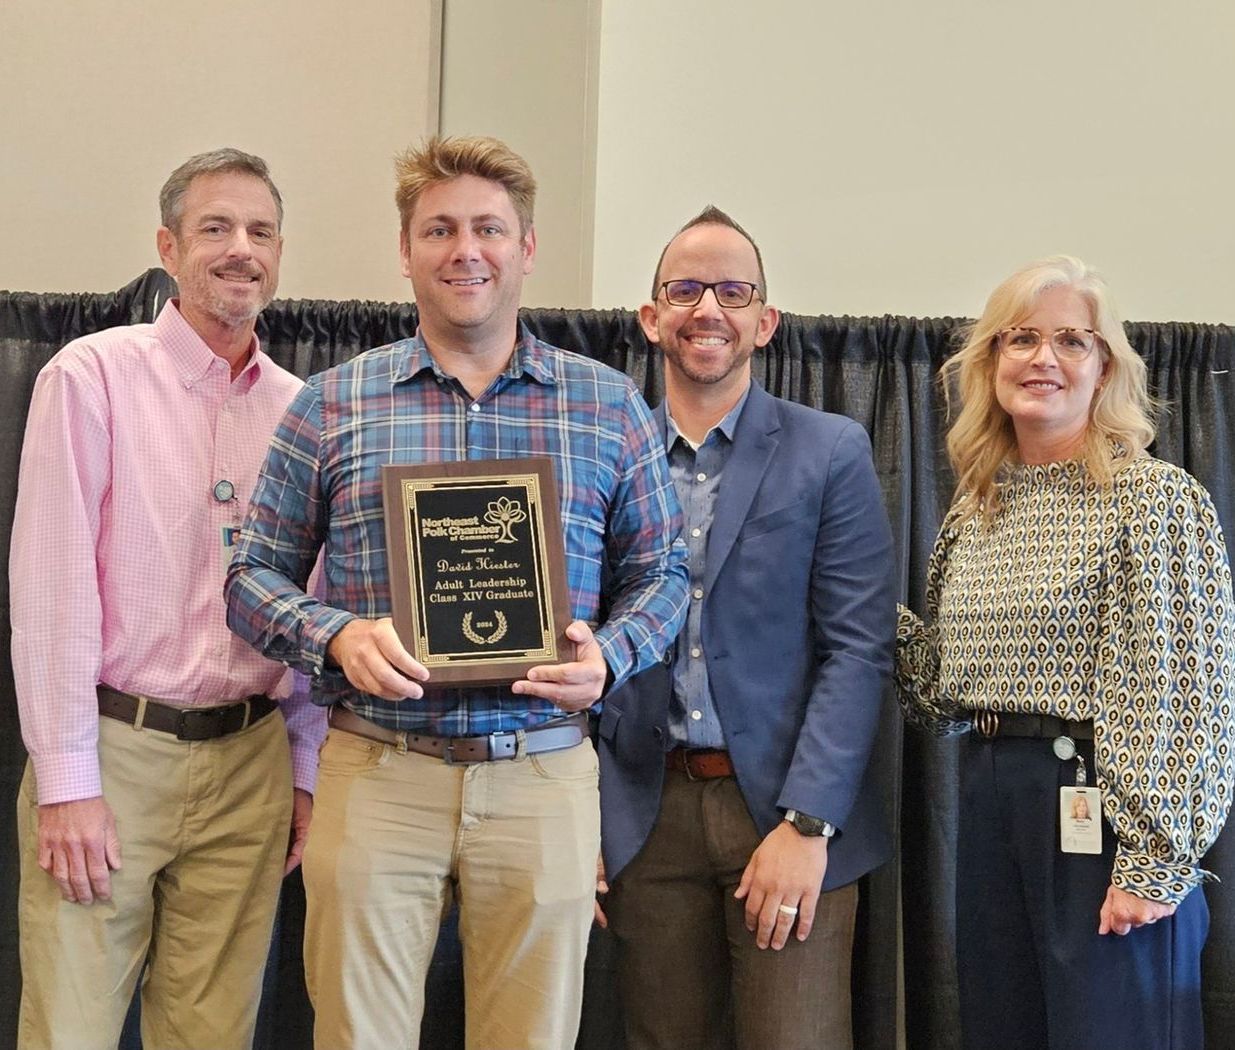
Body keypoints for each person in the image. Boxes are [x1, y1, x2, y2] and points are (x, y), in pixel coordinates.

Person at [224, 134, 689, 1050]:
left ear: (526, 246)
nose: (463, 249)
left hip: (544, 775)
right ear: (406, 250)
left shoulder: (605, 404)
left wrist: (612, 656)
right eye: (439, 229)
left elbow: (664, 575)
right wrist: (334, 638)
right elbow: (250, 576)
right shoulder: (333, 402)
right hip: (376, 774)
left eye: (487, 228)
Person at [11, 148, 323, 1050]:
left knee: (213, 1034)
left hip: (251, 762)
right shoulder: (90, 377)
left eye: (260, 232)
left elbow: (311, 605)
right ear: (168, 245)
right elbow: (51, 592)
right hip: (115, 756)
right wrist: (66, 784)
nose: (240, 250)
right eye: (215, 228)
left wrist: (300, 770)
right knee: (70, 1028)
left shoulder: (300, 411)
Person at [896, 255, 1234, 1050]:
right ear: (989, 363)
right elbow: (939, 699)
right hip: (989, 802)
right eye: (1020, 338)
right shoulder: (976, 507)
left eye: (1070, 341)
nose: (1042, 359)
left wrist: (1151, 861)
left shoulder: (1152, 499)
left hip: (1103, 810)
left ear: (1104, 366)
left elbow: (1183, 692)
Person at [601, 207, 896, 1050]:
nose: (709, 310)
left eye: (734, 291)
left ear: (763, 322)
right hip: (639, 813)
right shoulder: (602, 452)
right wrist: (580, 817)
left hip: (783, 814)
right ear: (650, 316)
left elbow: (856, 651)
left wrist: (807, 825)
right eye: (685, 289)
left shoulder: (829, 451)